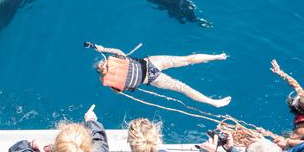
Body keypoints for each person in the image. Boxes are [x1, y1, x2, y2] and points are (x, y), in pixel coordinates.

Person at [88, 43, 231, 108]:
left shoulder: (108, 82)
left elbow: (120, 90)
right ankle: (218, 56)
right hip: (152, 63)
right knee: (186, 59)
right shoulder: (117, 58)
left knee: (183, 88)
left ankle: (213, 102)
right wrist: (103, 49)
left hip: (151, 79)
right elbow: (118, 50)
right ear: (105, 62)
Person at [269, 59, 304, 148]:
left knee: (284, 139)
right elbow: (295, 84)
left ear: (298, 113)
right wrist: (280, 72)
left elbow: (290, 142)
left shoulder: (302, 129)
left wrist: (285, 141)